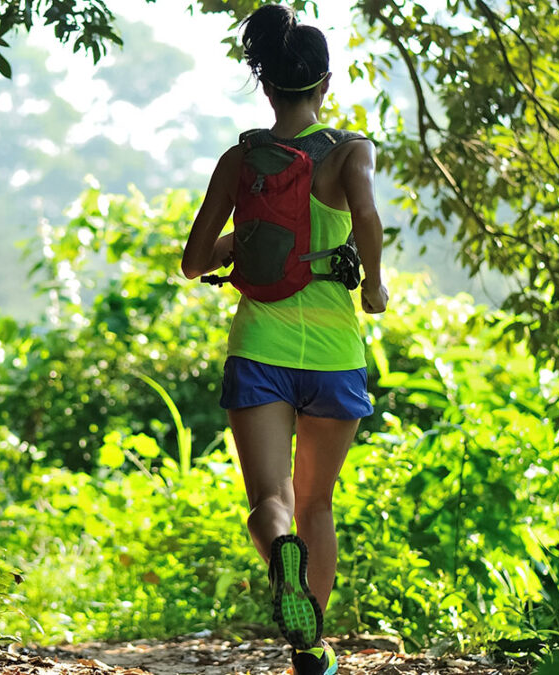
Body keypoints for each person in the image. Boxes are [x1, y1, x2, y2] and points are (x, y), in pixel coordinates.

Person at [180, 5, 389, 675]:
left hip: (260, 343)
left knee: (270, 502)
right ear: (324, 84)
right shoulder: (352, 151)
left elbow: (193, 260)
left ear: (265, 85)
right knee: (318, 501)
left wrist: (254, 241)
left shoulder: (240, 160)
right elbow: (368, 215)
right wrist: (375, 286)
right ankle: (312, 650)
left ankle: (285, 570)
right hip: (333, 353)